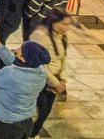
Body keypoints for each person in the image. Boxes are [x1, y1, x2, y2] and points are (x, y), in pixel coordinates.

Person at [0, 38, 50, 139]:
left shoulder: (11, 75)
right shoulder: (41, 71)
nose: (17, 49)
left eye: (20, 49)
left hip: (8, 126)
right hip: (27, 122)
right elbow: (15, 62)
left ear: (24, 59)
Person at [28, 8, 71, 136]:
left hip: (53, 83)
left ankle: (33, 134)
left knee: (44, 113)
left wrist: (62, 79)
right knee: (36, 112)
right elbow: (39, 64)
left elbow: (63, 58)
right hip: (40, 82)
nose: (66, 28)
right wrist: (55, 83)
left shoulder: (61, 36)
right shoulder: (40, 36)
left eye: (68, 24)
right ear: (53, 21)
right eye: (63, 24)